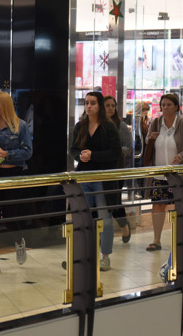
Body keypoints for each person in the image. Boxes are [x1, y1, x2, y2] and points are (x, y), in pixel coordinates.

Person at [0, 92, 33, 275]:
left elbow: (27, 152)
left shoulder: (20, 126)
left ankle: (19, 241)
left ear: (6, 106)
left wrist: (6, 155)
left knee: (10, 216)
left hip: (13, 174)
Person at [70, 92, 122, 271]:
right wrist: (80, 156)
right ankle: (85, 253)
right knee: (84, 216)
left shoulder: (109, 127)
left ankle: (105, 255)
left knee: (105, 218)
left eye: (93, 103)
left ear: (99, 105)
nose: (89, 106)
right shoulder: (81, 126)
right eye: (86, 103)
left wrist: (94, 155)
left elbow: (116, 153)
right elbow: (73, 149)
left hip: (102, 179)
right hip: (84, 176)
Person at [144, 94, 183, 251]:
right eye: (163, 104)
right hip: (160, 173)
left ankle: (182, 238)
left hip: (178, 175)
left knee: (180, 205)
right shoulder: (156, 122)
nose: (165, 107)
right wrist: (151, 138)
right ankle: (156, 240)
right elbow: (147, 141)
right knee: (158, 205)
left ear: (176, 107)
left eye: (168, 104)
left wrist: (181, 156)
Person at [104, 95, 132, 243]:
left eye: (112, 106)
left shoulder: (120, 125)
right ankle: (102, 234)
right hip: (100, 168)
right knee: (101, 201)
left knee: (114, 201)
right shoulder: (97, 123)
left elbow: (129, 147)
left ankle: (123, 225)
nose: (110, 108)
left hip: (116, 168)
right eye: (107, 105)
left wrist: (118, 149)